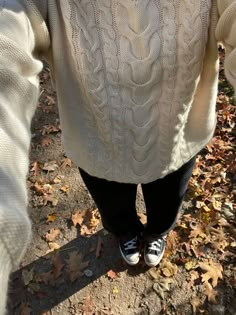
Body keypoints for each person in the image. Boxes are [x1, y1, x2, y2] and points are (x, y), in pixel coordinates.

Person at [0, 0, 235, 313]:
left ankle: (156, 233)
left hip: (175, 132)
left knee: (166, 203)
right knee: (114, 208)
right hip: (96, 132)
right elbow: (11, 25)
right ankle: (126, 232)